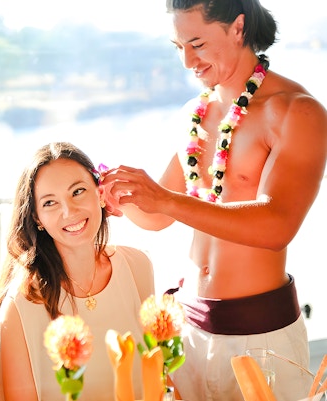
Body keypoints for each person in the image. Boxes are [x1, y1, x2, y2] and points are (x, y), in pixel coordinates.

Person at [101, 1, 327, 401]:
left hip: (259, 337)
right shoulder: (197, 112)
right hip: (188, 328)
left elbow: (276, 226)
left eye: (197, 43)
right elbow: (156, 217)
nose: (187, 61)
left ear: (237, 28)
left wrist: (164, 200)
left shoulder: (297, 111)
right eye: (178, 47)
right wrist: (115, 192)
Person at [0, 142, 155, 401]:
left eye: (77, 192)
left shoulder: (137, 267)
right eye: (50, 203)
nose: (69, 211)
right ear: (37, 219)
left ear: (100, 193)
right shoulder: (22, 302)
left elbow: (157, 374)